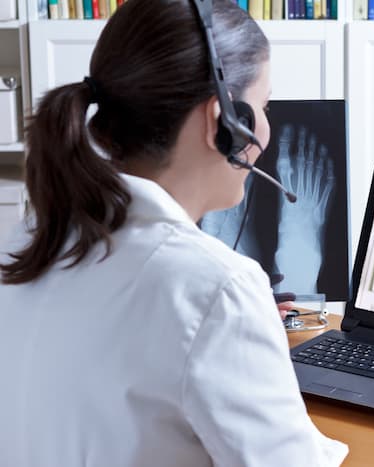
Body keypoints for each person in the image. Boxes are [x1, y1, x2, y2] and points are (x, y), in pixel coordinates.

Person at [0, 1, 347, 466]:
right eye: (263, 106)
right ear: (221, 123)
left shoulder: (25, 240)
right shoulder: (216, 288)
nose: (265, 126)